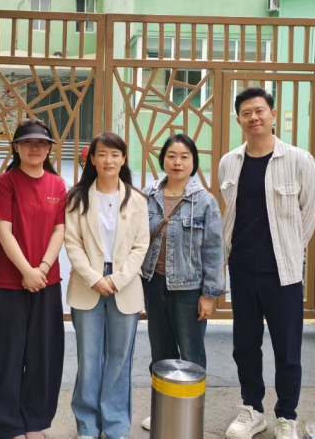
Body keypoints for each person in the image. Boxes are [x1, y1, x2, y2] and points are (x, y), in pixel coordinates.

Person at [218, 87, 315, 439]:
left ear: (273, 114)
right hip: (242, 268)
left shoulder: (299, 160)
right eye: (246, 113)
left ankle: (287, 416)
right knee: (245, 345)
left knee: (287, 349)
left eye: (260, 111)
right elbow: (232, 214)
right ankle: (252, 409)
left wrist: (289, 249)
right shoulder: (230, 162)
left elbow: (311, 212)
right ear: (239, 120)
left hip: (283, 272)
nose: (254, 118)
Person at [0, 119, 67, 439]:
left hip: (47, 282)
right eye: (28, 143)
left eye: (42, 143)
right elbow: (3, 231)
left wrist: (42, 269)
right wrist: (27, 271)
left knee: (43, 354)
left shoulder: (57, 185)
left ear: (49, 149)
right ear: (16, 147)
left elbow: (60, 230)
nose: (35, 148)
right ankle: (10, 425)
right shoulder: (5, 183)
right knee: (7, 355)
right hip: (9, 283)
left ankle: (35, 422)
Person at [65, 133, 150, 439]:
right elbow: (72, 244)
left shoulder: (137, 199)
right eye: (102, 154)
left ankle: (115, 425)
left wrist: (116, 278)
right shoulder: (77, 198)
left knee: (120, 359)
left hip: (124, 285)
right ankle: (87, 426)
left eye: (115, 154)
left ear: (124, 158)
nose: (108, 160)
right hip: (86, 283)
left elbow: (141, 246)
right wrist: (94, 277)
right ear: (92, 159)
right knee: (88, 359)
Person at [140, 134, 225, 431]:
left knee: (191, 356)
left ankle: (190, 418)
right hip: (154, 285)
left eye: (184, 156)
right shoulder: (147, 196)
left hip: (190, 290)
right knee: (160, 354)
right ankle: (165, 412)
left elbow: (214, 250)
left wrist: (209, 294)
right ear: (163, 159)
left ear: (193, 162)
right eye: (172, 155)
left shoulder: (205, 201)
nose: (177, 162)